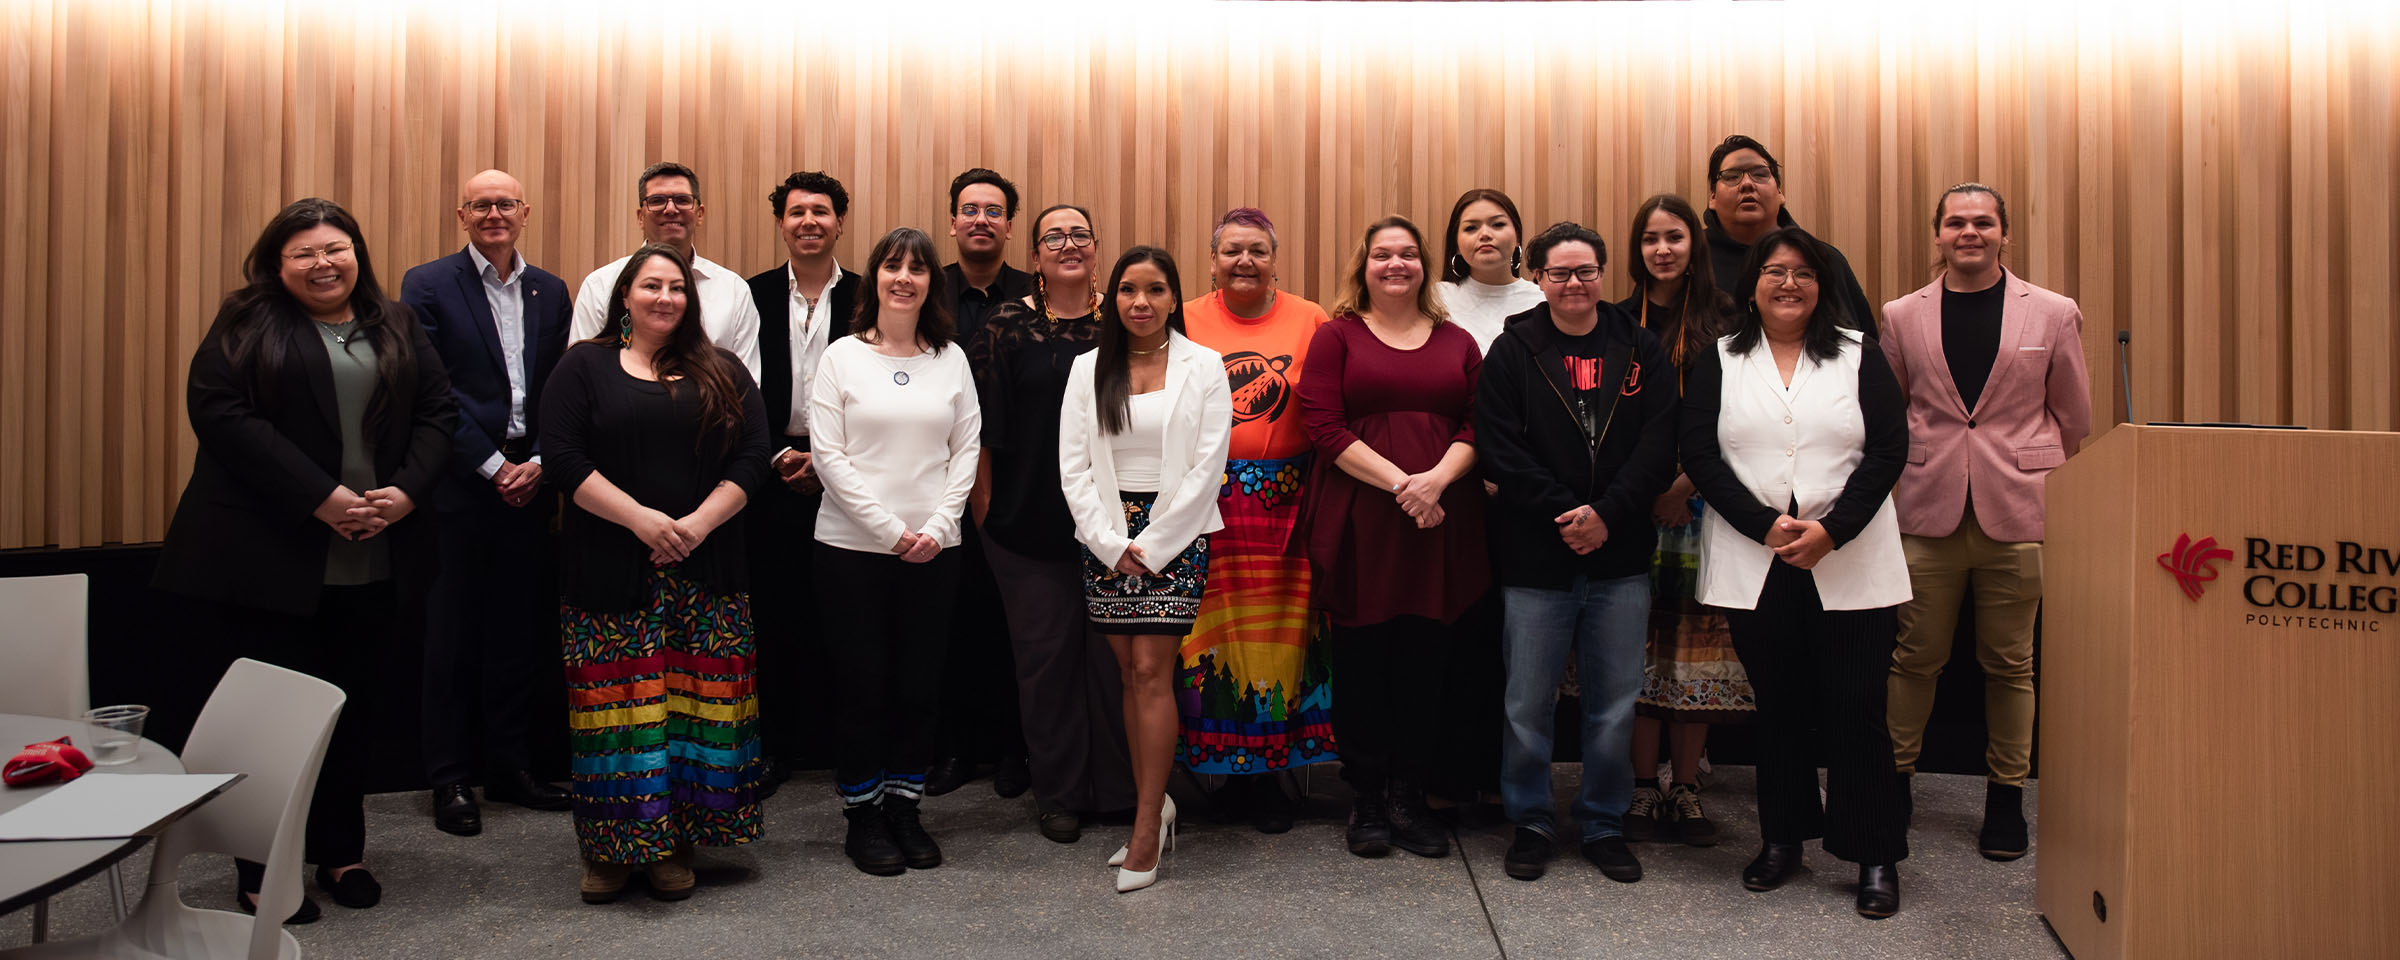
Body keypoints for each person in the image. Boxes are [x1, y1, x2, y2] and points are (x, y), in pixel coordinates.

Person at [154, 197, 456, 921]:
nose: (325, 263)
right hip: (269, 557)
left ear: (357, 252)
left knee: (351, 709)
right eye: (306, 253)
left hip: (374, 553)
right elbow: (222, 415)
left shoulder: (395, 321)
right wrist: (319, 496)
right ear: (278, 263)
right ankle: (261, 868)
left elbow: (438, 414)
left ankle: (341, 852)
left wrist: (407, 494)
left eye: (337, 248)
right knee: (271, 721)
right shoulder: (246, 320)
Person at [1679, 227, 1913, 919]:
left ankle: (1874, 853)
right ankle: (1781, 839)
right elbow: (1700, 451)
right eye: (1774, 271)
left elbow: (1888, 450)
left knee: (1857, 708)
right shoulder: (1720, 358)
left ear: (1823, 283)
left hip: (1850, 556)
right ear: (1751, 284)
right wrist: (1763, 526)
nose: (1788, 283)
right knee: (1777, 709)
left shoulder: (1858, 354)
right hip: (1759, 557)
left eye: (1803, 273)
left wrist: (1831, 530)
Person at [541, 243, 771, 904]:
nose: (665, 297)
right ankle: (612, 853)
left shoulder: (722, 368)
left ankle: (674, 845)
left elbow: (754, 455)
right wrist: (641, 520)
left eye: (676, 287)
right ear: (625, 297)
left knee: (691, 711)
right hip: (612, 569)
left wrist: (697, 524)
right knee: (619, 716)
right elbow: (560, 456)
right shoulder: (583, 366)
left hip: (707, 569)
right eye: (651, 286)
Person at [1882, 183, 2090, 861]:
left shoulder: (2054, 313)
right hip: (1924, 507)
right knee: (1915, 659)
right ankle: (1896, 786)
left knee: (2011, 665)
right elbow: (1891, 412)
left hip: (2020, 511)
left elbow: (2074, 418)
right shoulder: (1901, 315)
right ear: (1936, 235)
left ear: (2004, 234)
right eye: (1955, 222)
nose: (1969, 232)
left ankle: (2006, 798)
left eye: (1982, 222)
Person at [1476, 221, 1679, 883]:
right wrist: (1568, 513)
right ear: (1536, 277)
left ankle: (1602, 821)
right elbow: (1500, 447)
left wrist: (1607, 515)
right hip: (1537, 555)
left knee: (1615, 701)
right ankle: (1531, 822)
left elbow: (1659, 443)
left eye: (1585, 270)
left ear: (1601, 273)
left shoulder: (1639, 346)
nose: (1573, 284)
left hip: (1619, 557)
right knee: (1525, 702)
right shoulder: (1513, 351)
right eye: (1559, 273)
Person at [1299, 215, 1488, 860]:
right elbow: (1321, 425)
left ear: (1424, 267)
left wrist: (1434, 483)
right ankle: (1368, 798)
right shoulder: (1337, 337)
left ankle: (1410, 794)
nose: (1396, 265)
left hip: (1439, 523)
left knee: (1425, 661)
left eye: (1408, 254)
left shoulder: (1458, 340)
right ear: (1364, 266)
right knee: (1363, 662)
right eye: (1383, 254)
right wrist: (1406, 485)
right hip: (1362, 521)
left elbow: (1478, 423)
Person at [401, 169, 576, 838]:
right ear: (462, 214)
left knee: (515, 636)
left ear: (524, 211)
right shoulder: (428, 284)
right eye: (482, 205)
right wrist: (495, 465)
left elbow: (562, 384)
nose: (494, 213)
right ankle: (449, 778)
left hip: (530, 491)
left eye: (505, 203)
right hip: (459, 490)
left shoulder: (550, 289)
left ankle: (509, 768)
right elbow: (431, 391)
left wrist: (535, 465)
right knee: (449, 640)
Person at [1058, 246, 1233, 893]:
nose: (1141, 302)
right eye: (1129, 289)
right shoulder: (1087, 368)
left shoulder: (1205, 365)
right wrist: (1110, 543)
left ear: (1173, 296)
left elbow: (1207, 467)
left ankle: (1142, 828)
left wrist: (1153, 545)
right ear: (1113, 297)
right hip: (1103, 536)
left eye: (1155, 289)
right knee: (1128, 676)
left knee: (1154, 672)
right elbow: (1073, 466)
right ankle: (1155, 804)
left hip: (1177, 535)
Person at [808, 228, 982, 875]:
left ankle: (906, 807)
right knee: (862, 686)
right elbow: (829, 455)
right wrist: (890, 531)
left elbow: (965, 451)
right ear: (874, 279)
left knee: (918, 685)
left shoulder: (951, 359)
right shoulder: (843, 357)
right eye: (892, 266)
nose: (904, 278)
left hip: (936, 552)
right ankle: (864, 815)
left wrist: (937, 526)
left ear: (932, 282)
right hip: (851, 549)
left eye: (917, 268)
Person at [966, 204, 1135, 843]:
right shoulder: (1004, 326)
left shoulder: (1123, 321)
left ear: (1096, 248)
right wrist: (986, 522)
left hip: (1118, 528)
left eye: (1080, 235)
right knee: (1047, 665)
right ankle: (1060, 793)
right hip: (1027, 526)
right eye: (1053, 237)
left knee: (1115, 662)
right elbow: (981, 433)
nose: (1068, 244)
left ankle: (1119, 790)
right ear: (1034, 255)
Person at [1179, 207, 1337, 833]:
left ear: (1276, 260)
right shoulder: (1184, 318)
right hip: (1203, 505)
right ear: (1212, 259)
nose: (1244, 261)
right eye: (1232, 251)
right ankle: (1217, 770)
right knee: (1211, 643)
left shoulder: (1311, 319)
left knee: (1281, 642)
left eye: (1258, 251)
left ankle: (1271, 773)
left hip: (1286, 504)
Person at [1617, 194, 1751, 848]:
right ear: (1637, 249)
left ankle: (1688, 785)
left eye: (1674, 237)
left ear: (1693, 246)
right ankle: (1644, 785)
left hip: (1705, 504)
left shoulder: (1728, 321)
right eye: (1650, 239)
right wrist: (1647, 488)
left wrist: (1685, 483)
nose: (1663, 250)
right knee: (1642, 645)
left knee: (1694, 647)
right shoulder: (1616, 321)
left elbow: (1742, 418)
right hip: (1637, 505)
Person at [743, 170, 863, 798]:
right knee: (775, 616)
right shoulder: (751, 294)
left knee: (843, 615)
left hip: (851, 473)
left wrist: (827, 460)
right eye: (796, 212)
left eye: (821, 211)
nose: (809, 221)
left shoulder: (869, 297)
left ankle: (843, 747)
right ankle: (778, 748)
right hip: (767, 469)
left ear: (840, 222)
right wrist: (775, 458)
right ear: (782, 223)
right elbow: (731, 385)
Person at [927, 167, 1035, 799]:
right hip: (933, 482)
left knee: (1013, 619)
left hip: (1018, 480)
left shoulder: (1037, 291)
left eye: (994, 212)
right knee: (950, 620)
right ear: (952, 221)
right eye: (970, 210)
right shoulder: (924, 289)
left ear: (1010, 227)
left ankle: (1015, 749)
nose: (981, 221)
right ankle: (955, 749)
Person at [569, 161, 764, 380]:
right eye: (657, 201)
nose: (670, 209)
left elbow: (745, 386)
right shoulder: (600, 285)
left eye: (682, 200)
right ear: (640, 216)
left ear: (699, 214)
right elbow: (582, 376)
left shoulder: (733, 290)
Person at [1702, 135, 1878, 338]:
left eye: (1760, 174)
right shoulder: (1692, 261)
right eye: (1732, 176)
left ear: (1780, 193)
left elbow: (1862, 348)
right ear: (1712, 198)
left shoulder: (1822, 259)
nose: (1747, 184)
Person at [1435, 188, 1545, 355]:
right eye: (1471, 228)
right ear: (1456, 244)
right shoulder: (1435, 298)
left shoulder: (1544, 300)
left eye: (1498, 224)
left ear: (1517, 237)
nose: (1485, 234)